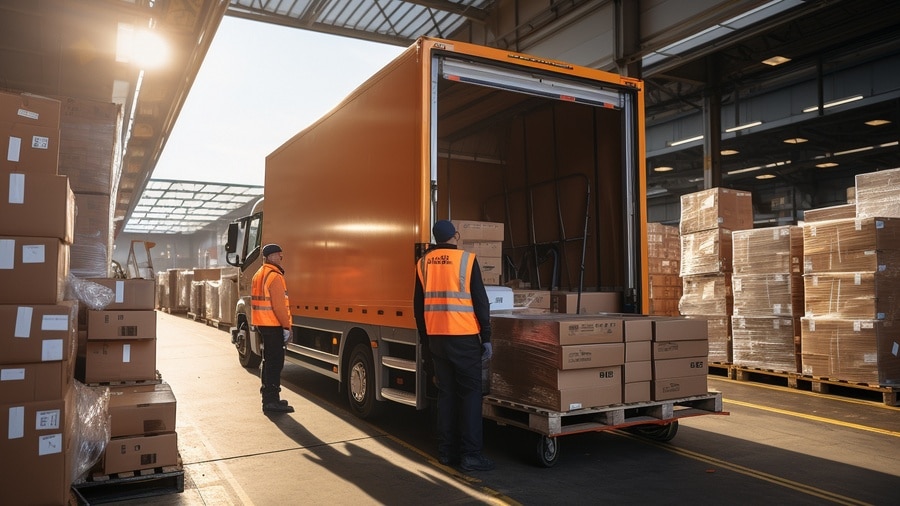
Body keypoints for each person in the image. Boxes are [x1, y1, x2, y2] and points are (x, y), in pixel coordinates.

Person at [414, 220, 495, 472]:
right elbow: (481, 302)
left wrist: (425, 340)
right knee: (470, 396)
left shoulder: (423, 264)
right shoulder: (467, 261)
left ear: (436, 238)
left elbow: (418, 308)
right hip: (464, 337)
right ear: (455, 236)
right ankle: (471, 455)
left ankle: (447, 453)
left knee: (446, 395)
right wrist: (487, 336)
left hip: (437, 338)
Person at [251, 243, 295, 414]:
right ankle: (271, 401)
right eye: (278, 255)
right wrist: (286, 326)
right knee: (275, 363)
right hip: (273, 323)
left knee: (268, 361)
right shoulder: (274, 276)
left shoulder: (259, 274)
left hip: (263, 323)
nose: (280, 258)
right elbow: (279, 306)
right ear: (269, 257)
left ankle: (269, 398)